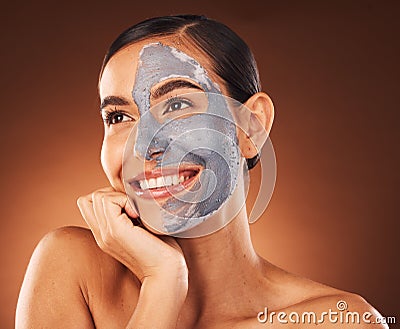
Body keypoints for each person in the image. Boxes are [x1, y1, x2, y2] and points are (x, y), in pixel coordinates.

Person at [16, 15, 387, 328]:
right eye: (118, 117)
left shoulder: (340, 320)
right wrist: (163, 284)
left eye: (176, 104)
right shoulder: (71, 268)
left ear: (250, 127)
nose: (143, 146)